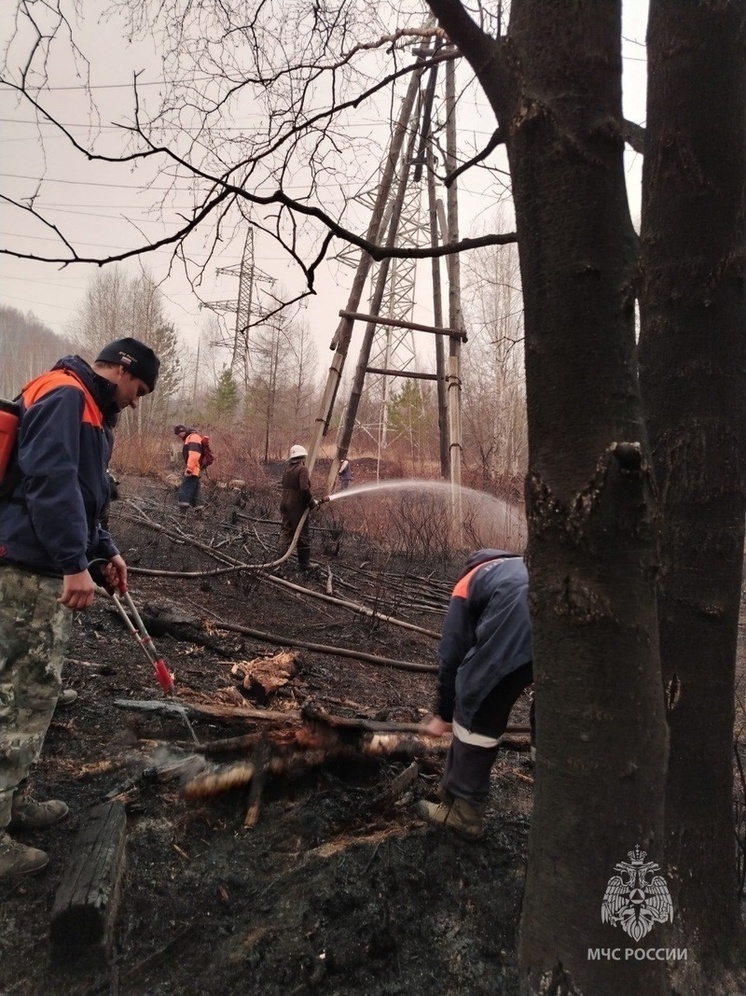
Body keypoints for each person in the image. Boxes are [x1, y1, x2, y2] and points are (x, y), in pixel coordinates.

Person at [0, 336, 160, 878]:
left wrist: (104, 550)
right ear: (122, 369)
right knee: (16, 696)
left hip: (42, 565)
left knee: (37, 691)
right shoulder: (65, 396)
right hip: (25, 571)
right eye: (139, 388)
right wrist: (74, 563)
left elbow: (84, 495)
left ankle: (14, 800)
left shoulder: (91, 410)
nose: (137, 401)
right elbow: (50, 486)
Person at [418, 549, 534, 839]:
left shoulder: (467, 581)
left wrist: (444, 714)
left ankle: (464, 814)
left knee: (477, 703)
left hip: (518, 625)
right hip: (560, 623)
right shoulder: (520, 564)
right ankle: (549, 791)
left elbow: (452, 651)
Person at [278, 444, 320, 572]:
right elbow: (304, 488)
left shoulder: (287, 469)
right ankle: (304, 563)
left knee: (286, 532)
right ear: (302, 457)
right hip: (296, 505)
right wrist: (311, 502)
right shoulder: (302, 469)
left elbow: (283, 484)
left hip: (284, 502)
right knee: (302, 533)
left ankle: (280, 563)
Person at [173, 424, 204, 509]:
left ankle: (183, 513)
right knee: (194, 490)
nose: (179, 437)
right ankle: (198, 510)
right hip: (196, 468)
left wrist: (189, 469)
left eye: (179, 434)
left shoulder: (192, 437)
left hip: (193, 469)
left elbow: (194, 454)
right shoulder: (190, 437)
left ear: (182, 432)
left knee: (185, 488)